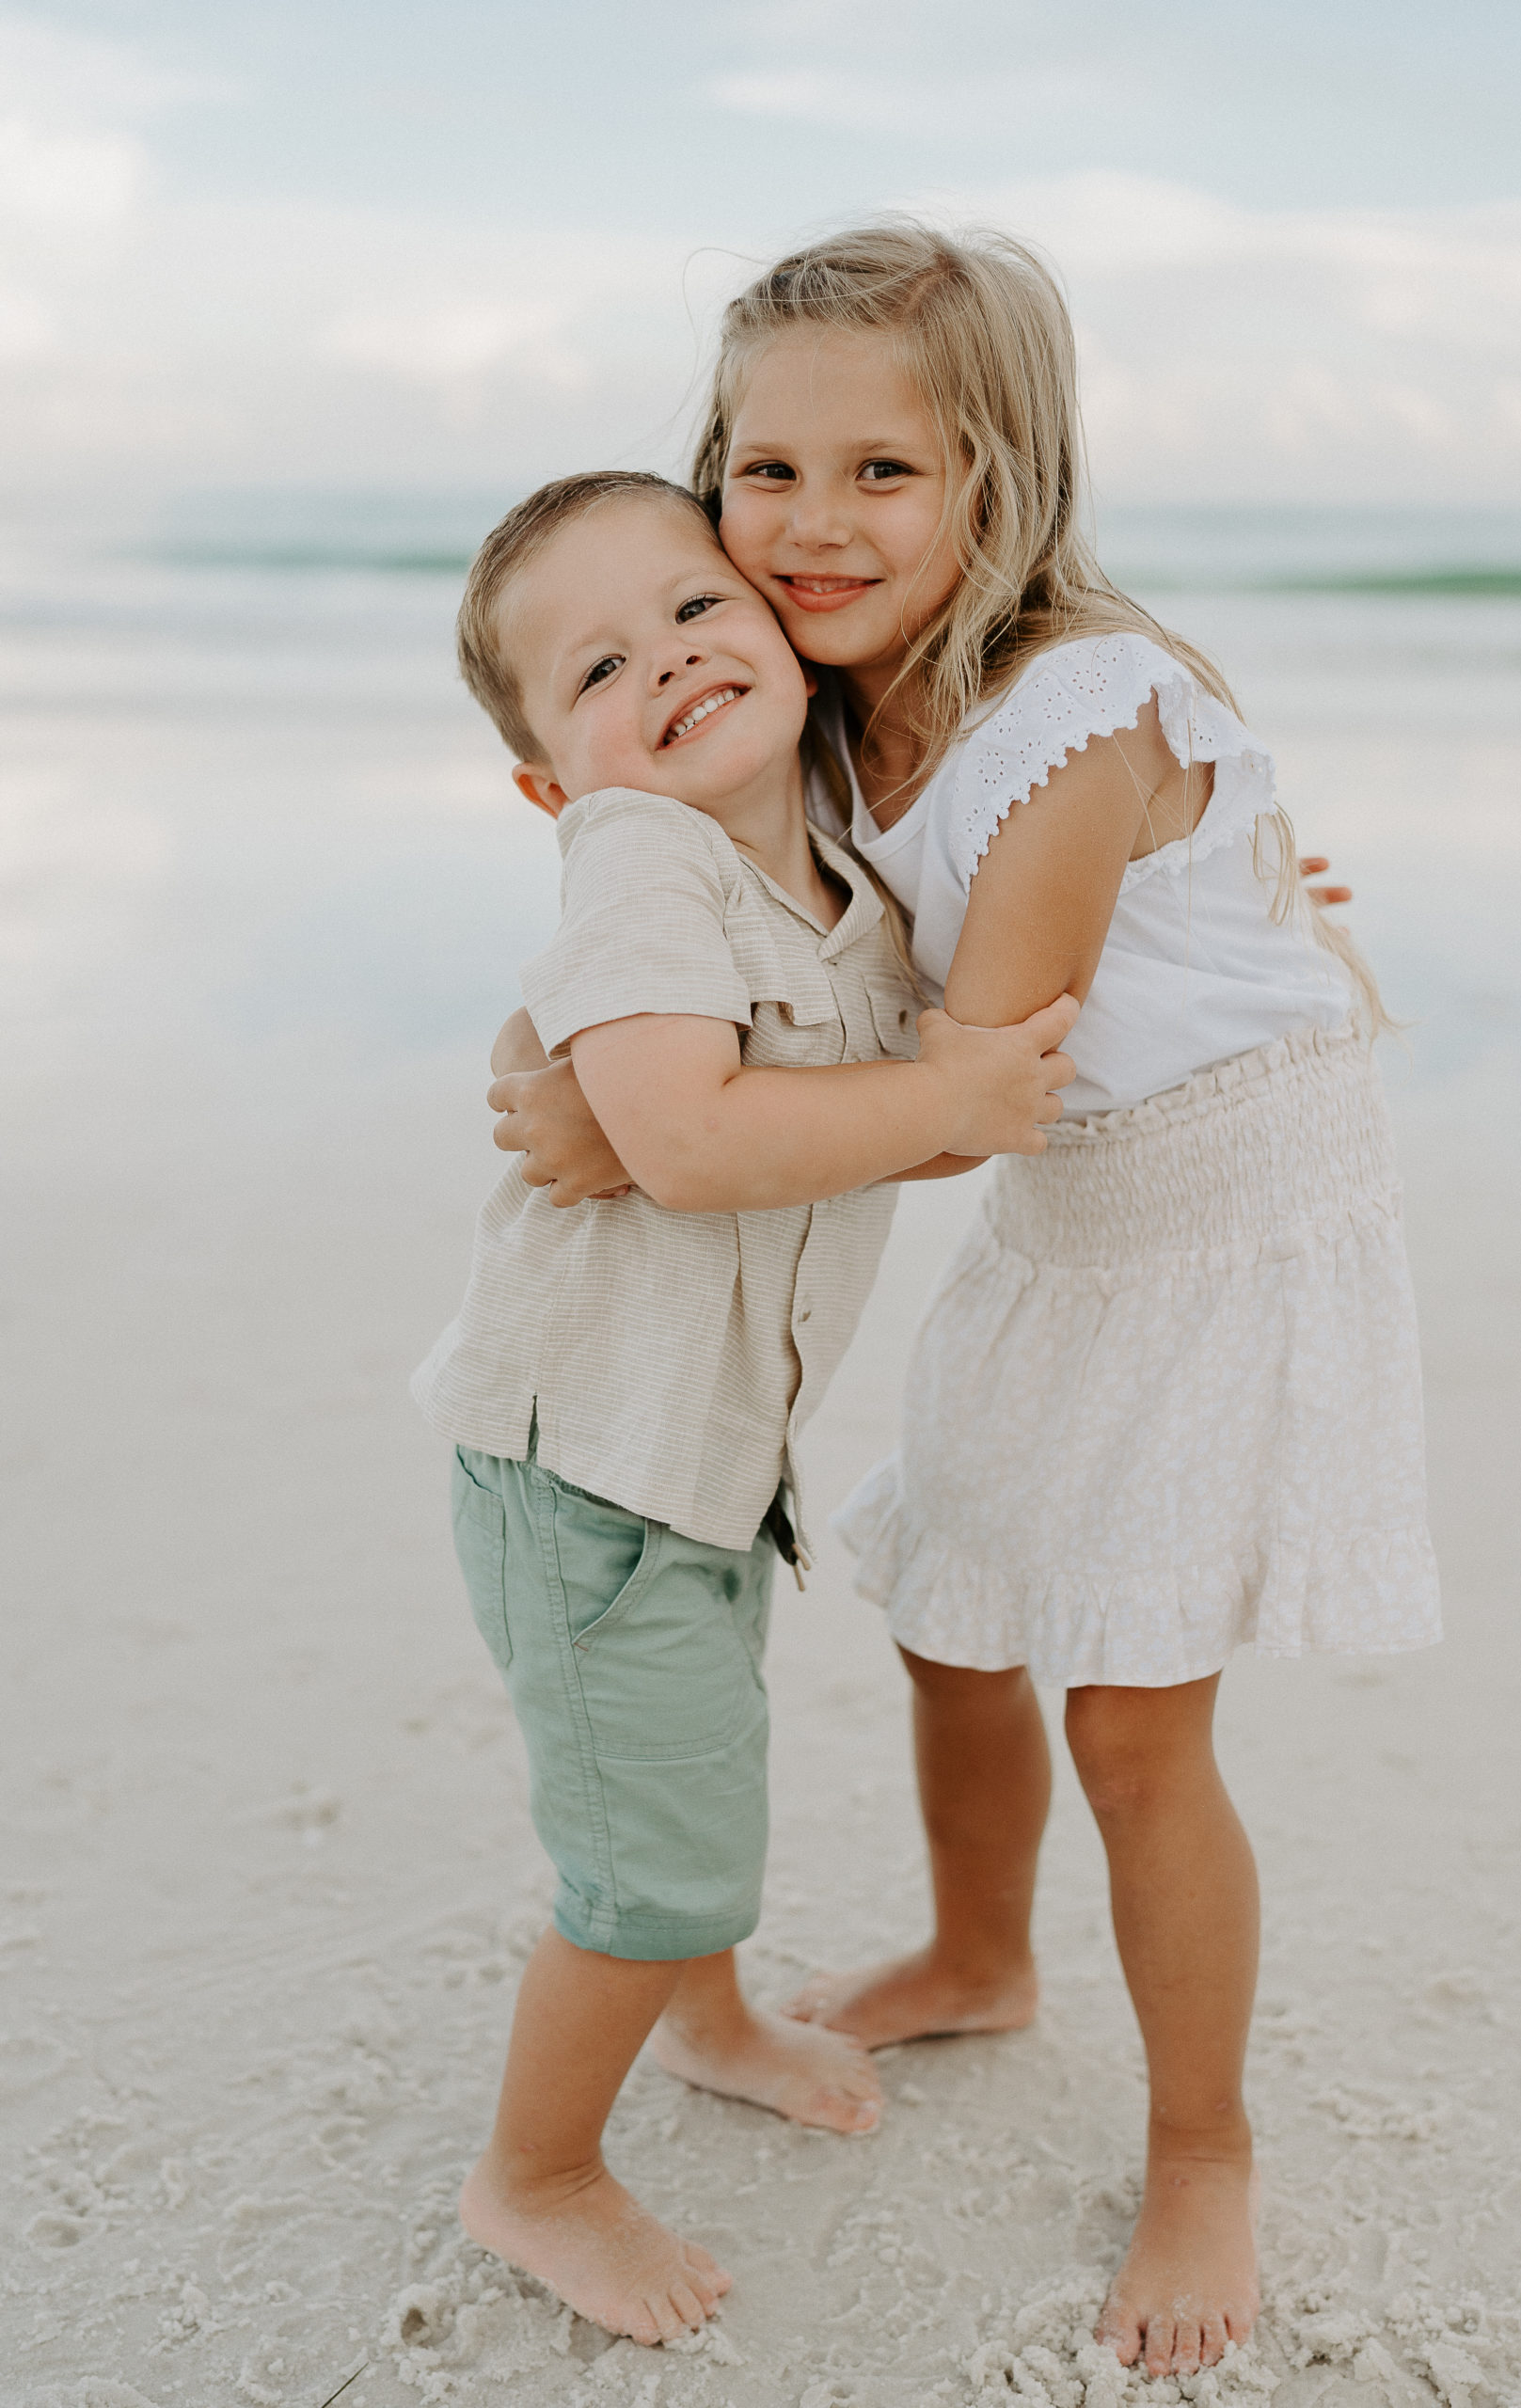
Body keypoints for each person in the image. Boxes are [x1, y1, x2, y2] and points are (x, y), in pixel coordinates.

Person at [492, 225, 1440, 2382]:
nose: (811, 523)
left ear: (995, 480)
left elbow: (959, 1095)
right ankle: (979, 1948)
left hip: (1219, 1210)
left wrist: (649, 1132)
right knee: (954, 1601)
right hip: (1074, 1208)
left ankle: (1202, 2142)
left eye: (879, 473)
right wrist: (579, 1065)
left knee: (1128, 1706)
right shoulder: (827, 706)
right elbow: (725, 933)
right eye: (762, 470)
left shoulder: (1072, 713)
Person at [412, 466, 1077, 2348]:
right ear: (555, 782)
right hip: (585, 1467)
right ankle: (533, 2171)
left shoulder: (851, 887)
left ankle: (703, 2021)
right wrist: (952, 1104)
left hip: (700, 1463)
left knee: (699, 1775)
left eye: (697, 607)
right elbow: (694, 1141)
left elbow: (862, 1124)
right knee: (648, 1856)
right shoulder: (639, 863)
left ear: (780, 627)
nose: (674, 659)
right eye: (601, 663)